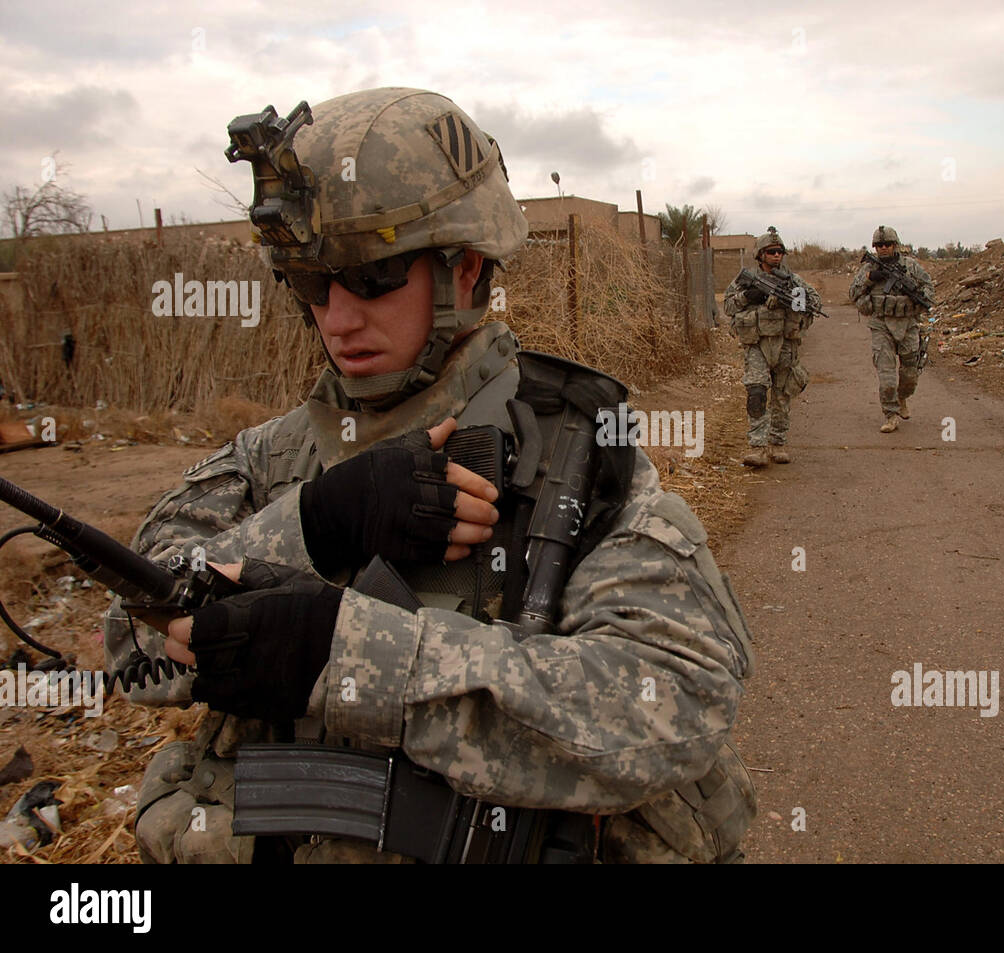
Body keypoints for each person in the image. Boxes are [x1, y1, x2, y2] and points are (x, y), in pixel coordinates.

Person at [106, 87, 756, 864]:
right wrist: (314, 521)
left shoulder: (571, 458)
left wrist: (344, 654)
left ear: (466, 269)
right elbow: (128, 642)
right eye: (313, 284)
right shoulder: (274, 460)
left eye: (373, 276)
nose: (338, 317)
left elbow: (672, 703)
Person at [722, 227, 820, 467]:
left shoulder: (793, 280)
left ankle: (777, 443)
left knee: (782, 395)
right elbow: (728, 307)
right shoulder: (746, 279)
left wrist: (796, 302)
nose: (777, 256)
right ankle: (758, 447)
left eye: (780, 252)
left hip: (785, 344)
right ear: (760, 255)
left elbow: (814, 303)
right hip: (757, 344)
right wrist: (749, 297)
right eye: (771, 252)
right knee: (756, 392)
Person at [849, 225, 935, 433]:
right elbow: (853, 294)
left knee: (910, 375)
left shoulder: (911, 267)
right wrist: (870, 280)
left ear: (895, 245)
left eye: (887, 244)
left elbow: (928, 291)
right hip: (882, 325)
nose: (883, 248)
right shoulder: (868, 269)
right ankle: (891, 414)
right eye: (879, 245)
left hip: (908, 325)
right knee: (886, 375)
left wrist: (915, 300)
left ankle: (902, 398)